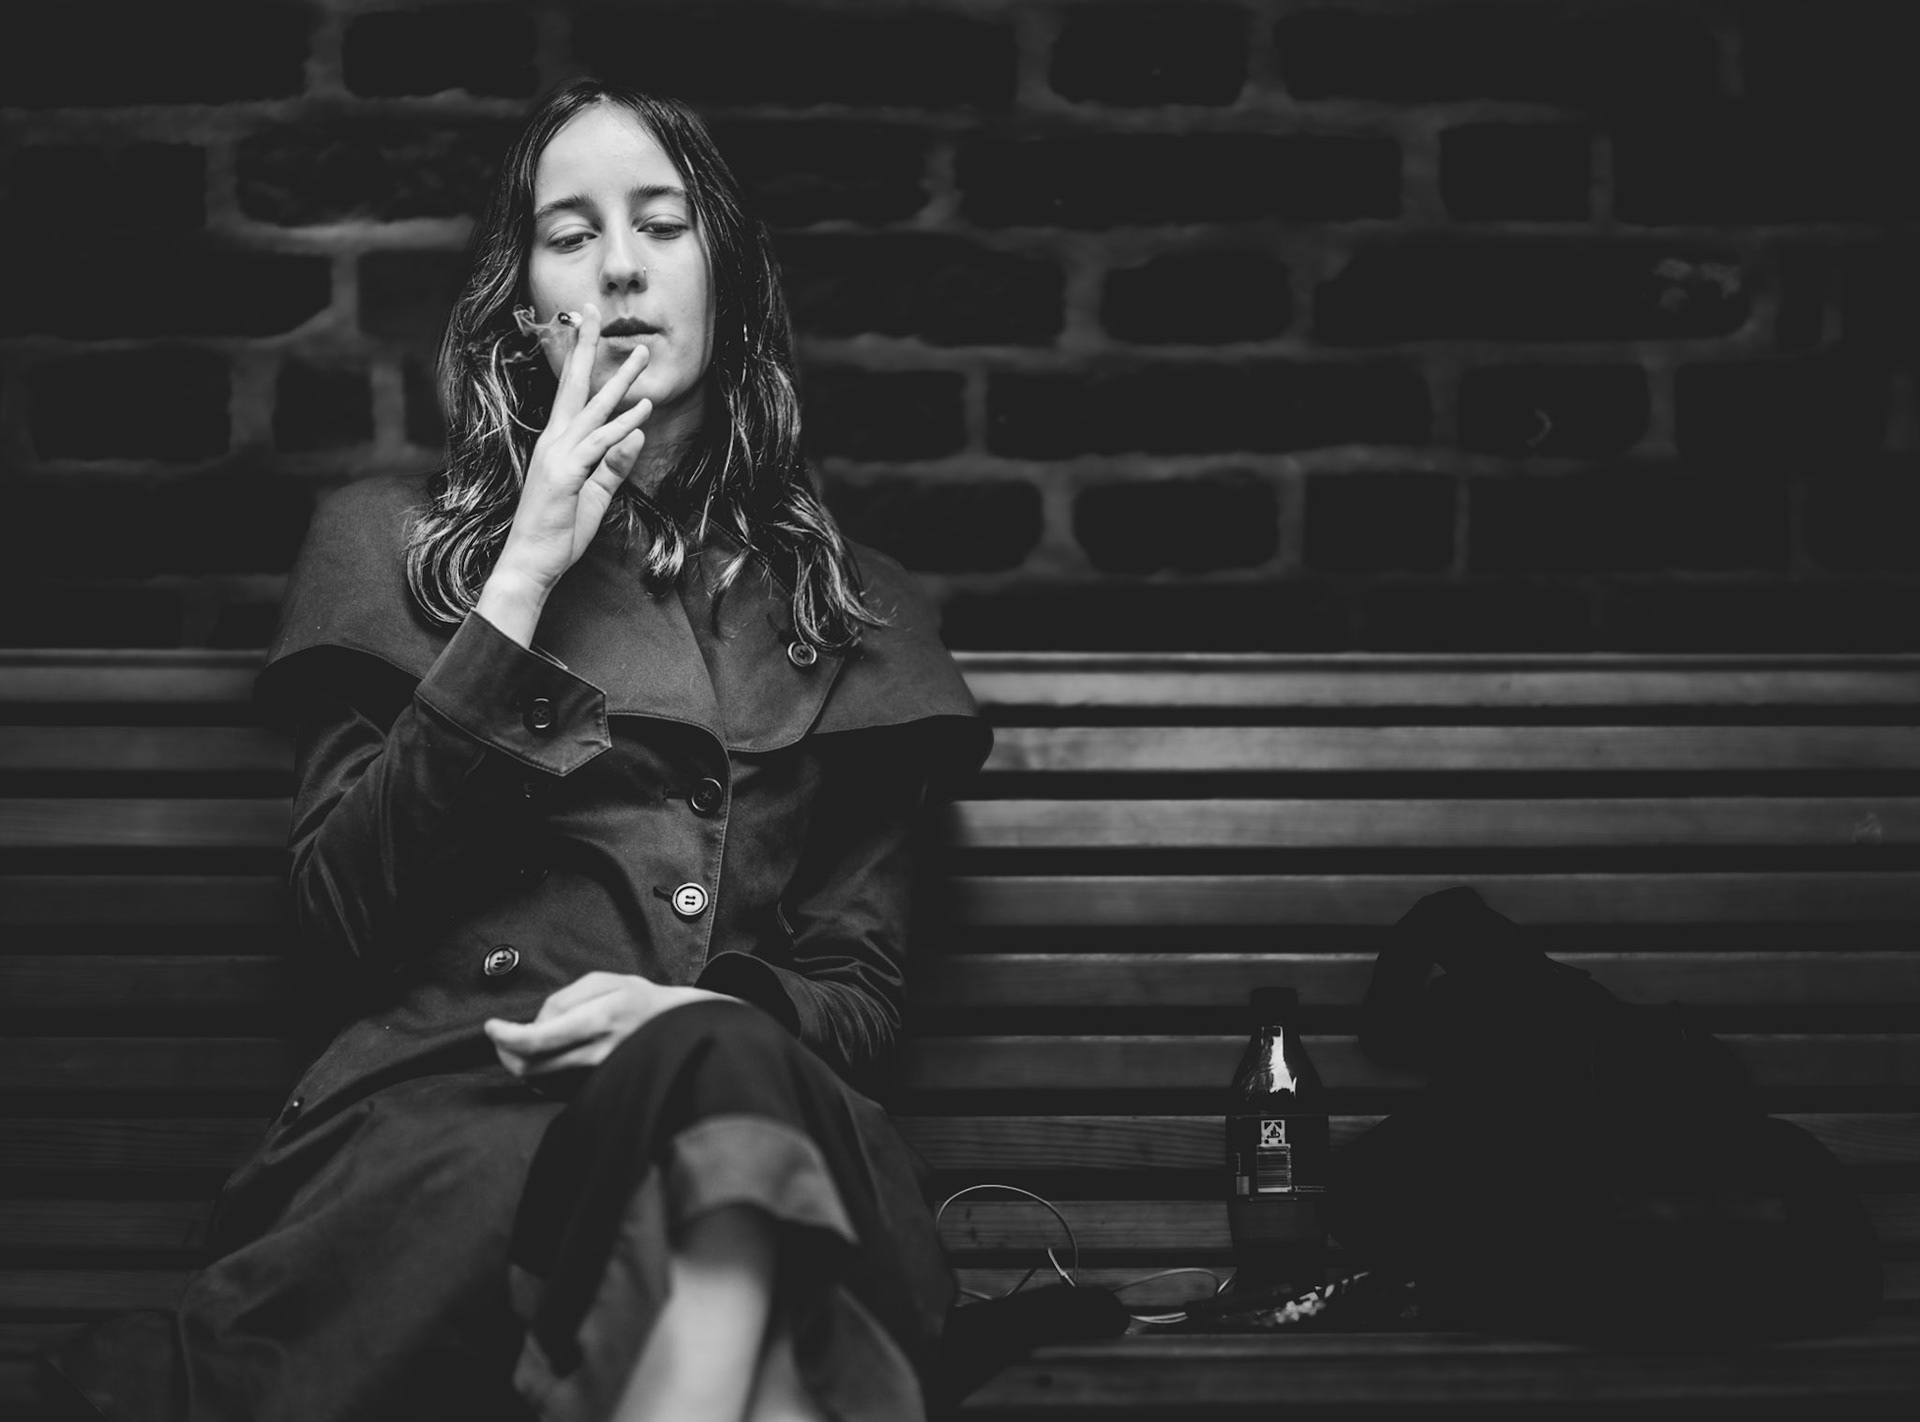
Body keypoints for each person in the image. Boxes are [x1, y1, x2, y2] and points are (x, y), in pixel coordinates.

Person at [48, 78, 989, 1422]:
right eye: (571, 233)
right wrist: (525, 576)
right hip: (475, 1129)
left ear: (727, 275)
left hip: (764, 1118)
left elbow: (859, 991)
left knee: (718, 1082)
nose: (620, 267)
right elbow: (337, 920)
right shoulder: (390, 544)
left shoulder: (852, 609)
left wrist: (701, 1018)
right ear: (520, 304)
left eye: (661, 223)